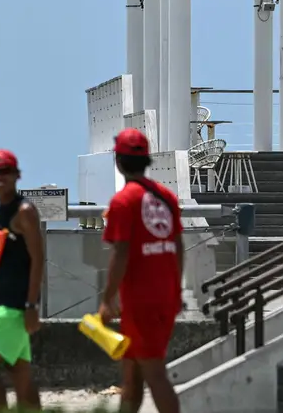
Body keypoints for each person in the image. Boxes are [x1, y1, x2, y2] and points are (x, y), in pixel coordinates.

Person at [99, 128, 183, 413]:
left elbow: (120, 253)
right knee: (132, 377)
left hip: (140, 302)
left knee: (155, 374)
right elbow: (178, 245)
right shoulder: (167, 197)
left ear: (119, 162)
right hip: (164, 297)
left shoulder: (123, 202)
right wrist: (177, 289)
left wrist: (107, 297)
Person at [0, 148, 45, 412]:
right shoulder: (3, 209)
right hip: (4, 301)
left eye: (5, 171)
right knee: (20, 374)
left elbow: (38, 260)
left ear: (17, 175)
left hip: (15, 306)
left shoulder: (24, 211)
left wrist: (31, 306)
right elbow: (1, 255)